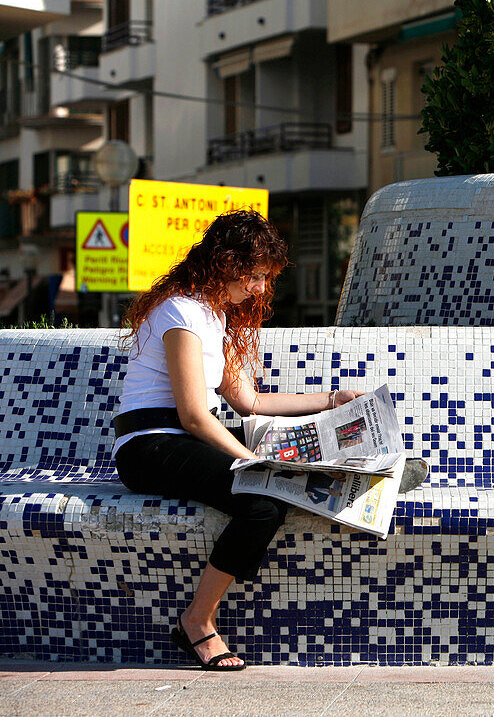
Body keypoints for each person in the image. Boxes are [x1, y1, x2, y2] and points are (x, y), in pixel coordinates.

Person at [112, 210, 363, 671]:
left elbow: (248, 402)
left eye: (266, 278)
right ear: (224, 264)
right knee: (263, 501)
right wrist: (252, 462)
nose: (261, 289)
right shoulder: (180, 312)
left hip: (186, 437)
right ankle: (197, 622)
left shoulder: (217, 318)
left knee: (291, 464)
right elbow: (192, 415)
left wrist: (331, 400)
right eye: (254, 276)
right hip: (148, 444)